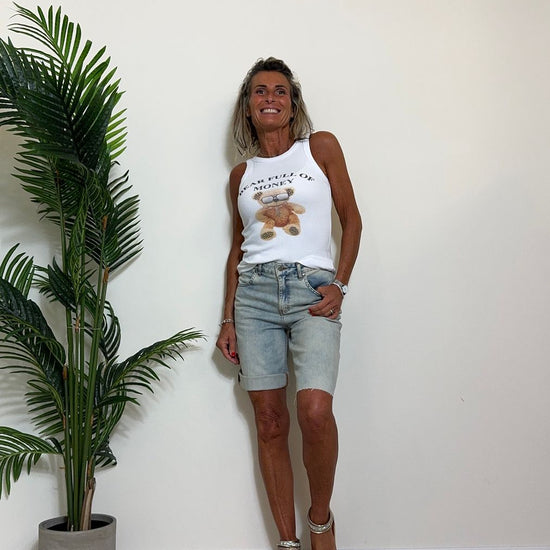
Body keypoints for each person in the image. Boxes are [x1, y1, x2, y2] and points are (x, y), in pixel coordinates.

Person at [216, 57, 362, 550]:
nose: (270, 98)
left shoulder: (320, 148)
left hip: (311, 292)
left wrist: (340, 284)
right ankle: (287, 542)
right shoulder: (241, 175)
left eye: (280, 91)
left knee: (314, 411)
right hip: (253, 298)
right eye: (260, 91)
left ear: (293, 104)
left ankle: (320, 524)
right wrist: (227, 318)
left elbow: (352, 219)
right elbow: (237, 249)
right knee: (270, 422)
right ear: (248, 107)